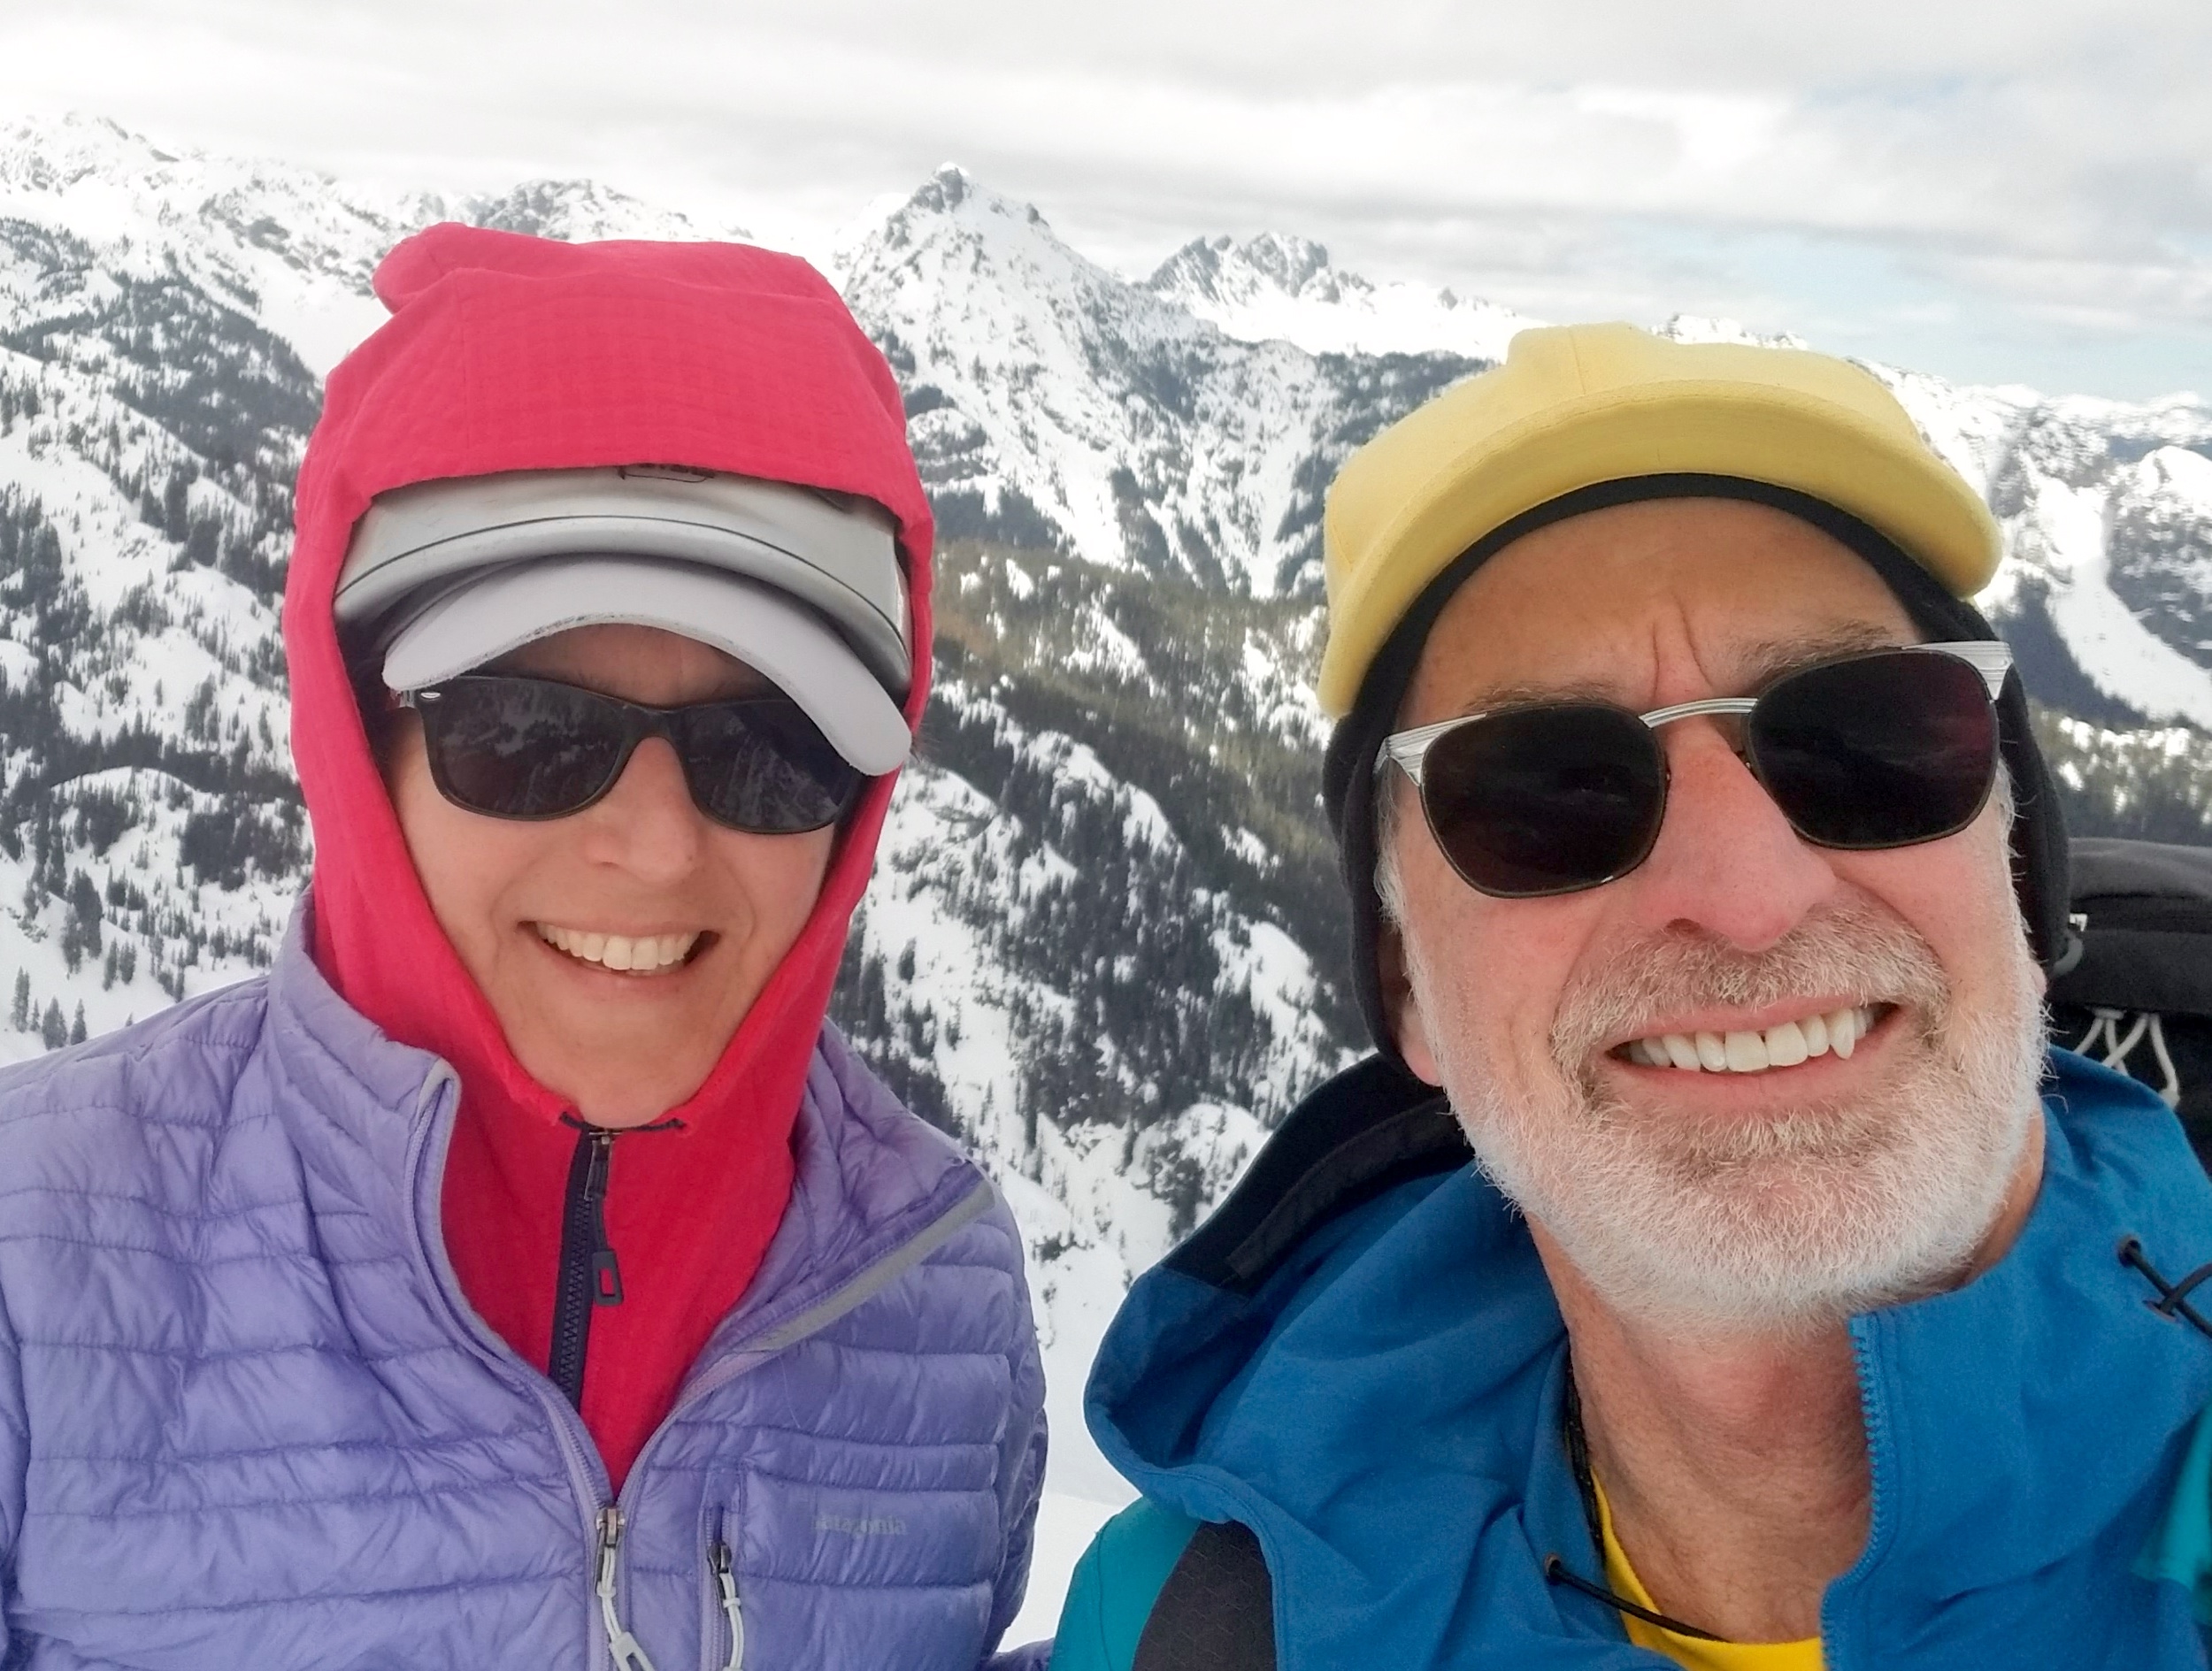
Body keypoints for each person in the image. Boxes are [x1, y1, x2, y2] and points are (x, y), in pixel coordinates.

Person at [1052, 324, 2212, 1669]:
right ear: (1406, 985)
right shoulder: (1183, 1628)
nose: (1745, 895)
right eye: (1548, 795)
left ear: (2015, 871)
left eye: (1867, 744)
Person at [0, 223, 1046, 1670]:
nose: (659, 845)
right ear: (363, 750)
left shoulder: (940, 1292)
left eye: (769, 751)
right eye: (532, 734)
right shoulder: (39, 1244)